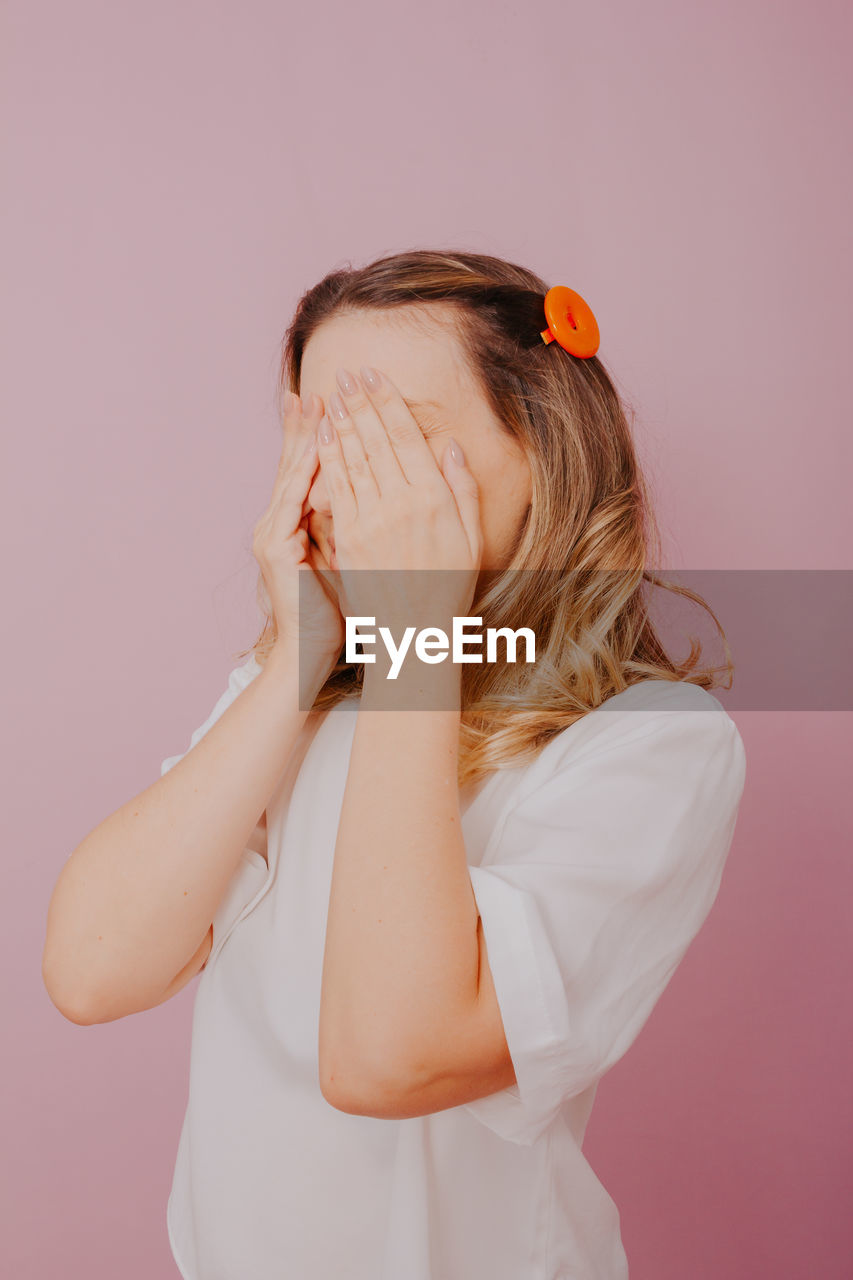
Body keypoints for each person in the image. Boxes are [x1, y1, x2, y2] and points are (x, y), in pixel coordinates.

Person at [43, 249, 747, 1280]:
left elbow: (387, 1053)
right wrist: (299, 656)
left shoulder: (651, 739)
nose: (352, 488)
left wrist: (419, 630)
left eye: (398, 441)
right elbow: (92, 969)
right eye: (325, 440)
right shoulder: (298, 693)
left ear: (544, 451)